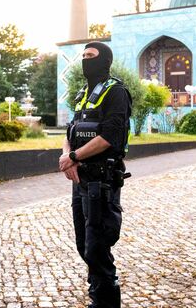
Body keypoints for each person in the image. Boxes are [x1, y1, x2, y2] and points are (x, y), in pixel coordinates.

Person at [58, 42, 132, 308]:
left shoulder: (116, 92)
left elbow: (110, 137)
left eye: (91, 56)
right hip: (80, 180)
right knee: (84, 245)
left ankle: (104, 302)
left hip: (102, 180)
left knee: (98, 246)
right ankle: (97, 294)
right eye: (84, 56)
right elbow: (71, 131)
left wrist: (75, 157)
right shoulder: (83, 94)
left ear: (105, 60)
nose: (85, 60)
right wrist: (68, 157)